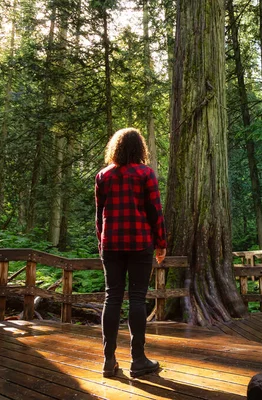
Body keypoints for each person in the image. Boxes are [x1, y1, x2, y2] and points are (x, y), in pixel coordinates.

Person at [95, 127, 166, 378]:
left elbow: (99, 214)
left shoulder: (103, 175)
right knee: (137, 298)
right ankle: (138, 360)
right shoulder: (145, 174)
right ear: (140, 148)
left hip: (111, 244)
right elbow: (155, 211)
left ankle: (108, 360)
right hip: (139, 243)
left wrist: (101, 242)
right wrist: (161, 243)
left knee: (111, 298)